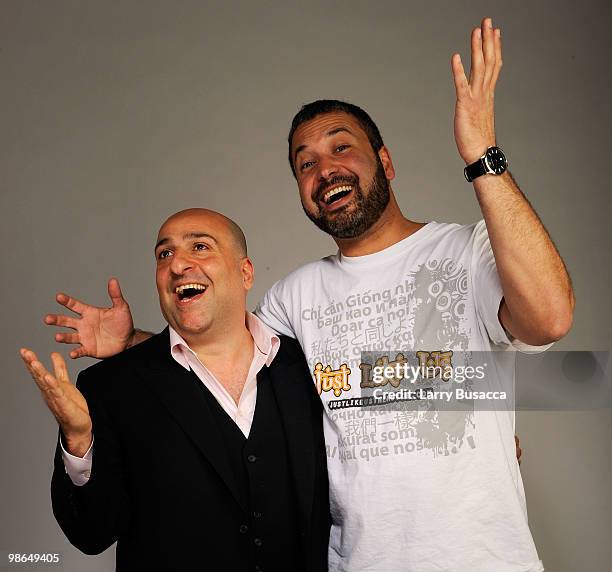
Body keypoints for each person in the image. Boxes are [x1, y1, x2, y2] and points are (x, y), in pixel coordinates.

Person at [43, 18, 574, 571]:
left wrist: (481, 153)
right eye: (305, 163)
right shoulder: (295, 297)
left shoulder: (470, 251)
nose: (325, 169)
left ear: (385, 162)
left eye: (341, 147)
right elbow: (225, 362)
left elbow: (549, 319)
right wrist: (134, 341)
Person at [21, 209, 331, 572]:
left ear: (245, 272)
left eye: (199, 246)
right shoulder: (110, 386)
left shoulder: (309, 367)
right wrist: (79, 441)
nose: (178, 264)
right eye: (164, 254)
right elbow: (91, 535)